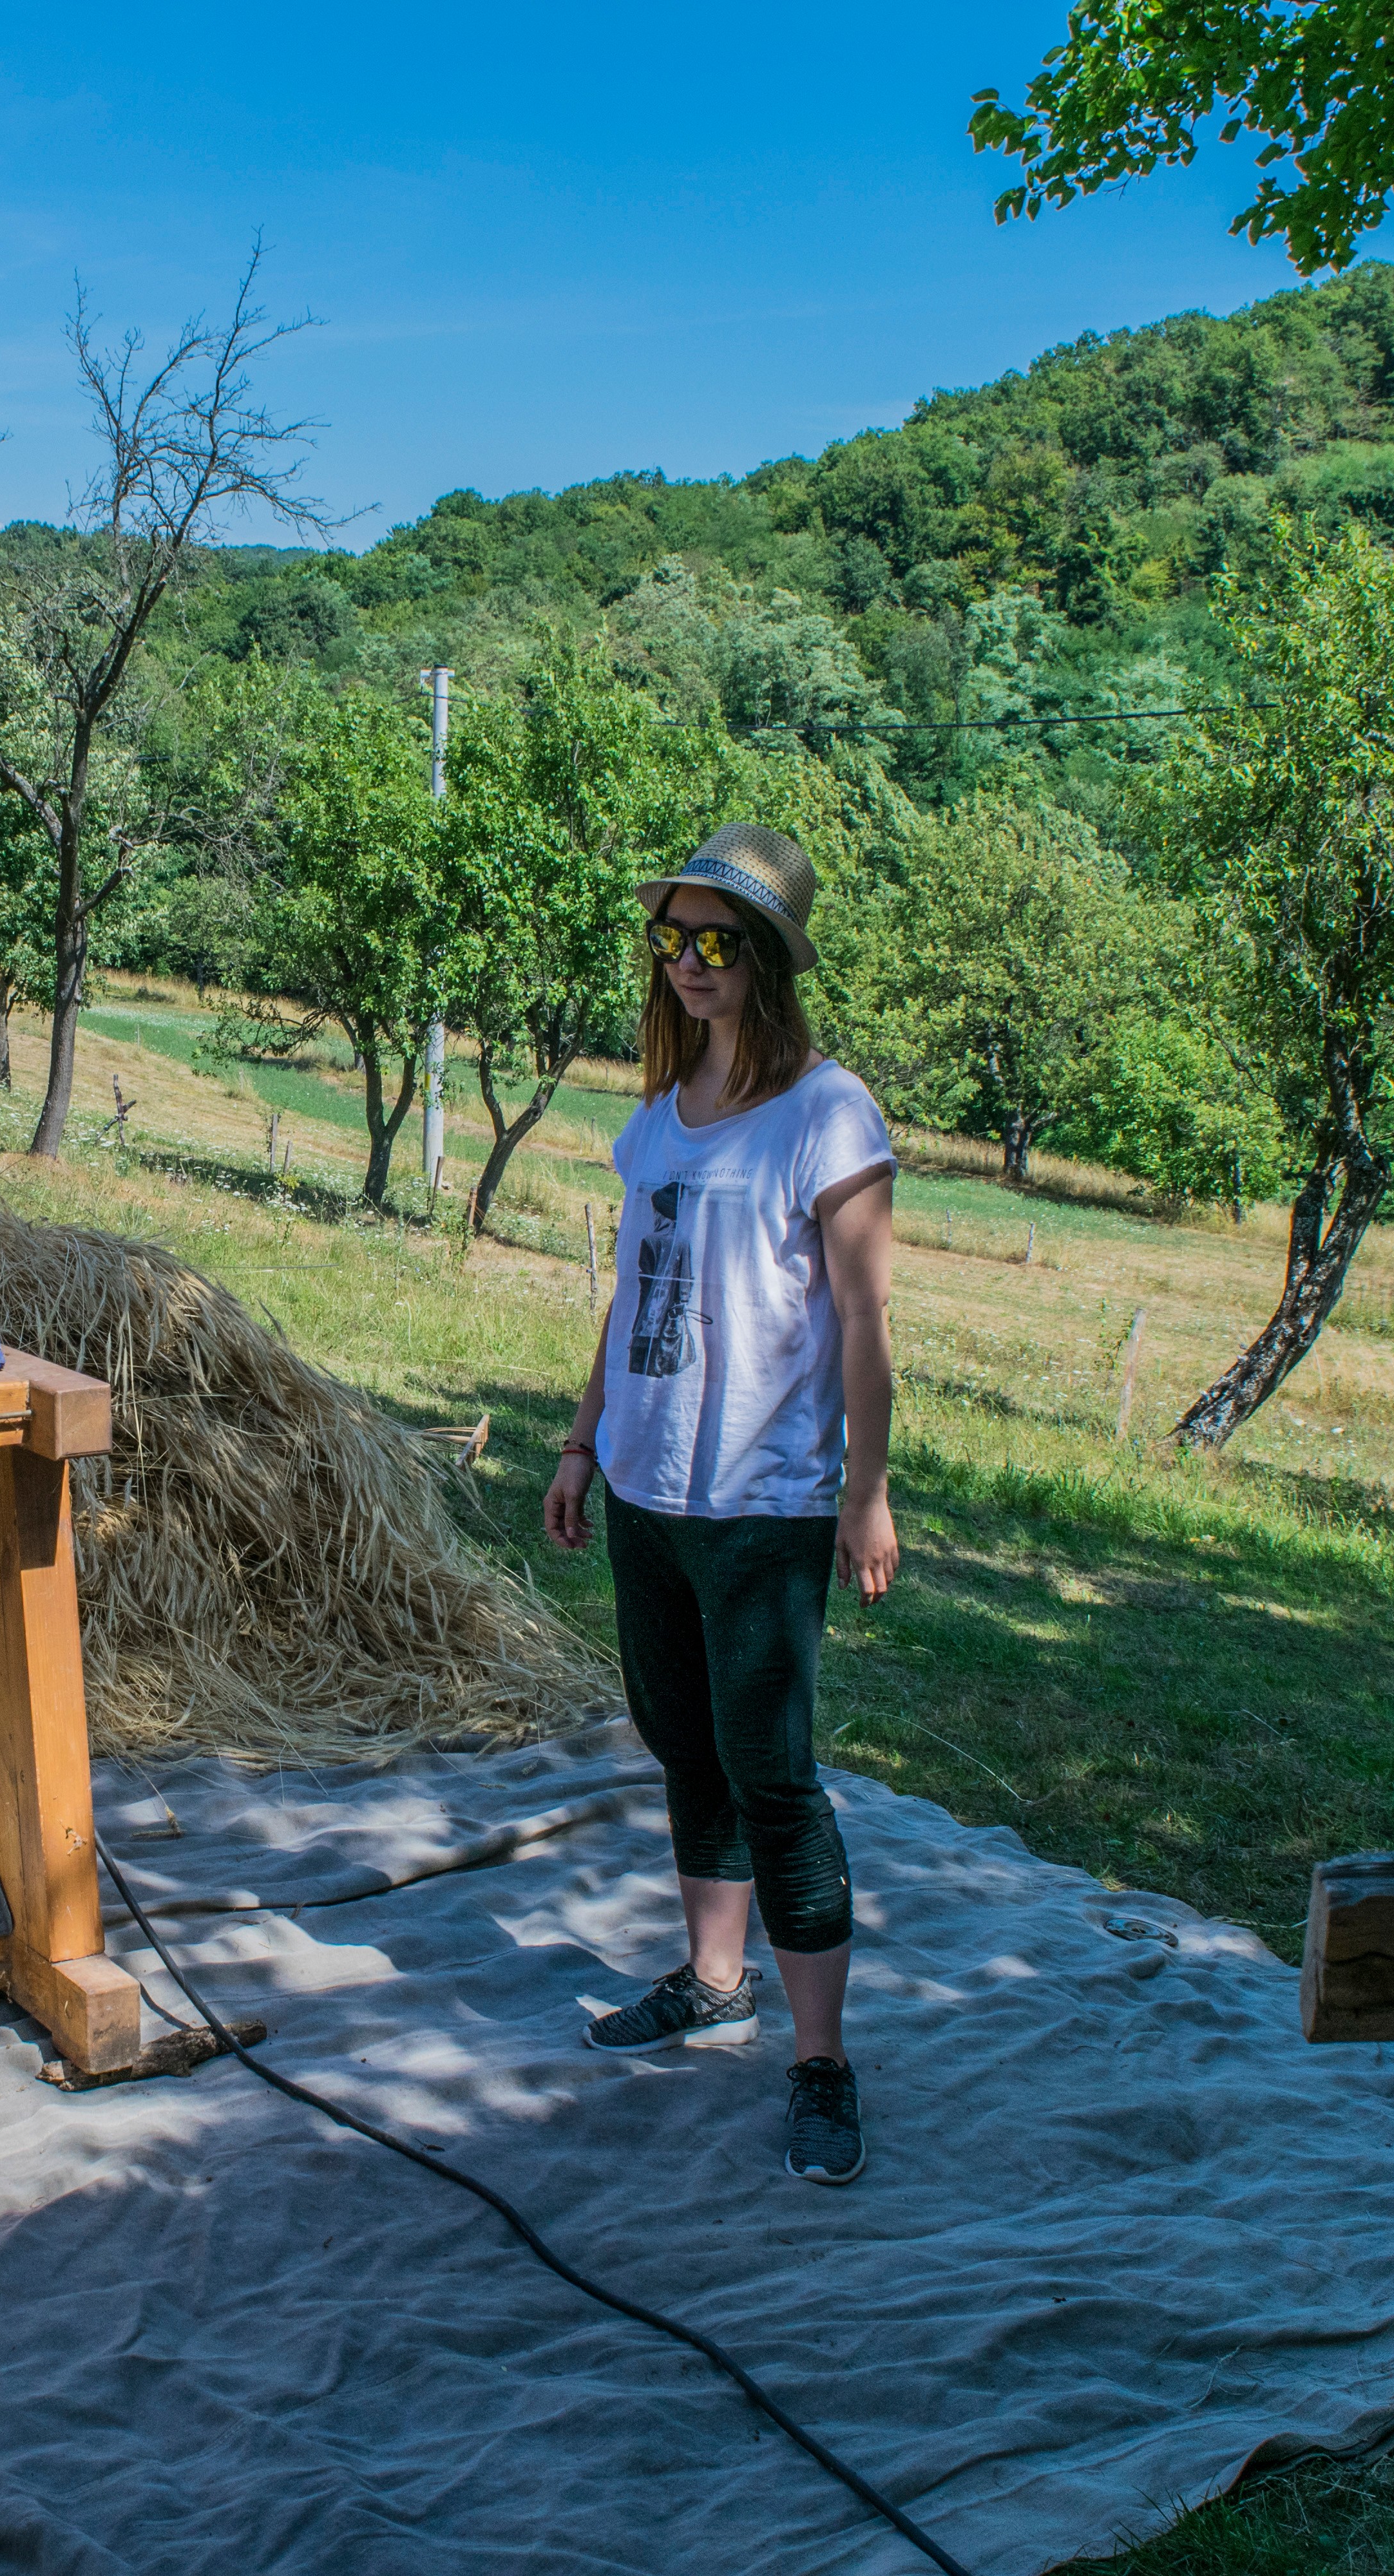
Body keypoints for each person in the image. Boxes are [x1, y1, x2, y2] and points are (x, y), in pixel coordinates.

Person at [542, 821, 899, 2188]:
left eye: (719, 940)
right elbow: (630, 1299)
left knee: (775, 1771)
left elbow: (864, 1319)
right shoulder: (655, 1116)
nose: (690, 961)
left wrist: (865, 1493)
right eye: (674, 937)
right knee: (682, 1741)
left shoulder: (828, 1112)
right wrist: (582, 1445)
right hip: (648, 1485)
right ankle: (712, 1976)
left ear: (768, 958)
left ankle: (820, 2060)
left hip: (763, 1498)